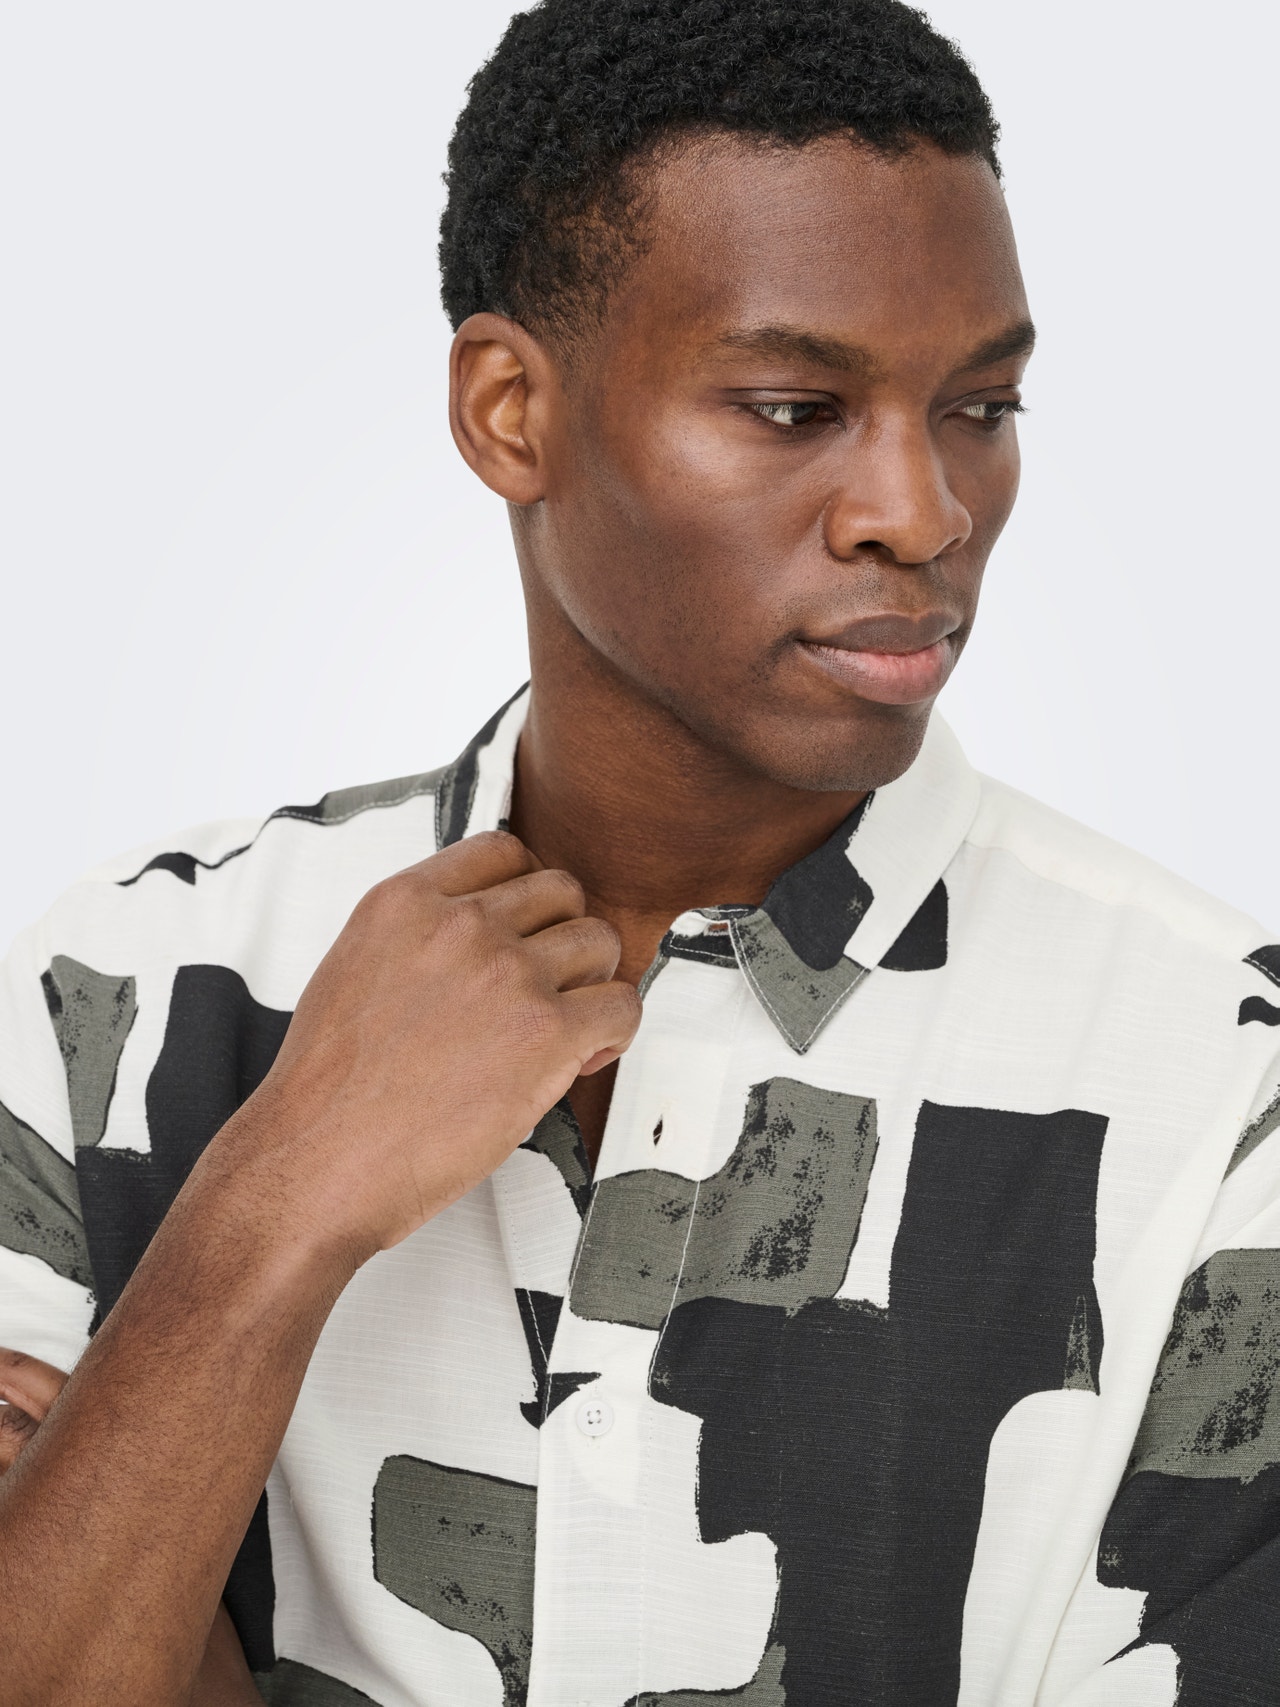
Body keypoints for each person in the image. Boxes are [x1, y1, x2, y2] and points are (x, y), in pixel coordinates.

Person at [1, 0, 1277, 1702]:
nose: (924, 512)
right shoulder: (128, 988)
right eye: (794, 407)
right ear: (509, 410)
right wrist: (273, 1206)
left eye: (982, 404)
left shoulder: (1228, 1078)